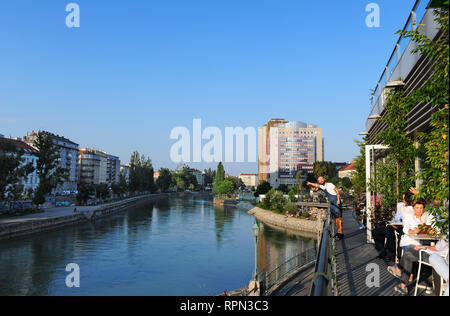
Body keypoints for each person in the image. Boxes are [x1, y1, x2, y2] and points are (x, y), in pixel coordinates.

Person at [372, 190, 415, 261]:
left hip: (403, 229)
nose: (403, 200)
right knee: (376, 232)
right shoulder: (401, 207)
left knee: (390, 234)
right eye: (403, 198)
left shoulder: (414, 208)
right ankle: (383, 251)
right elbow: (397, 219)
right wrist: (395, 224)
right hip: (395, 226)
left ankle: (391, 255)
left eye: (404, 198)